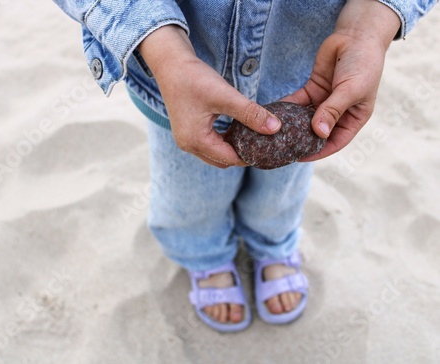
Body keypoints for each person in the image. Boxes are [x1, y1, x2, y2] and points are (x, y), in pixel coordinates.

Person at [53, 0, 436, 332]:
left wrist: (371, 22)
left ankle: (271, 241)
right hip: (178, 79)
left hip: (306, 80)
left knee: (280, 192)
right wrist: (167, 51)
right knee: (190, 195)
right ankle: (204, 254)